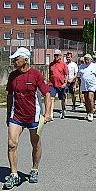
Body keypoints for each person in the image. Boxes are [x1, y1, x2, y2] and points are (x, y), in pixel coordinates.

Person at [4, 47, 51, 189]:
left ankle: (35, 169)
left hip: (33, 116)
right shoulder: (12, 75)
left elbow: (47, 94)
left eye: (16, 59)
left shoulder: (36, 74)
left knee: (35, 144)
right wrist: (8, 115)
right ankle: (13, 174)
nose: (13, 61)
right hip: (16, 116)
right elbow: (10, 96)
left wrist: (47, 113)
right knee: (12, 144)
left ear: (25, 59)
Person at [78, 54, 96, 121]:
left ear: (91, 60)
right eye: (85, 59)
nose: (86, 61)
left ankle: (91, 112)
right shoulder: (81, 66)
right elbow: (79, 76)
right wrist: (77, 85)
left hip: (92, 85)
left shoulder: (94, 66)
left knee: (90, 98)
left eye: (88, 59)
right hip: (84, 85)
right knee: (86, 99)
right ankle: (88, 112)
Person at [49, 49, 69, 119]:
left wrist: (65, 83)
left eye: (57, 55)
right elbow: (50, 74)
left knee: (62, 99)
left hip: (61, 84)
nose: (56, 56)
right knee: (51, 98)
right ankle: (51, 114)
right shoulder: (51, 64)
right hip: (52, 84)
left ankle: (63, 110)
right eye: (55, 55)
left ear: (60, 56)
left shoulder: (63, 64)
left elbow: (66, 75)